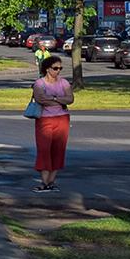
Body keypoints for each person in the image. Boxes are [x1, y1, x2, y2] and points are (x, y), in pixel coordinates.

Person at [31, 56, 75, 192]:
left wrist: (53, 98)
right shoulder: (39, 83)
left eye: (60, 68)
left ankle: (51, 181)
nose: (58, 71)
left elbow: (70, 99)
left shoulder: (64, 83)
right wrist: (60, 100)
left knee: (58, 149)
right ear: (47, 69)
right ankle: (43, 182)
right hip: (45, 119)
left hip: (62, 119)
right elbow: (41, 99)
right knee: (44, 149)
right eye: (55, 68)